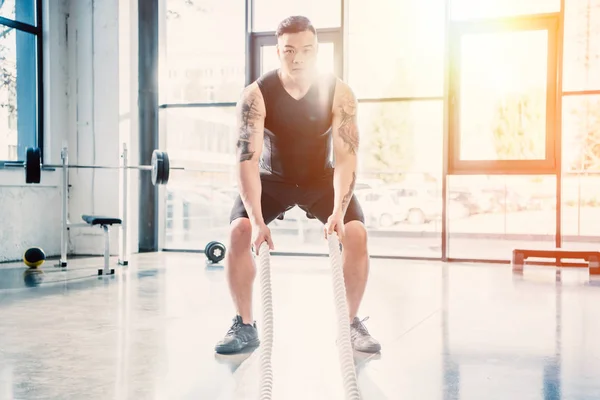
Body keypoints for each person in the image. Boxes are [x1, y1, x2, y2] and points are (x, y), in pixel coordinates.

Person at [214, 15, 381, 355]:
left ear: (316, 50)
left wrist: (337, 211)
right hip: (270, 178)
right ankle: (244, 324)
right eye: (289, 50)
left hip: (319, 178)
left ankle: (350, 324)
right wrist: (258, 222)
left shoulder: (339, 93)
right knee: (239, 232)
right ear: (278, 52)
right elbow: (246, 160)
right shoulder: (256, 96)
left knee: (357, 234)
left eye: (306, 50)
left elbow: (347, 157)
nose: (298, 58)